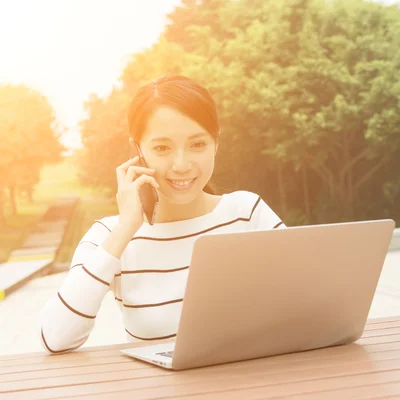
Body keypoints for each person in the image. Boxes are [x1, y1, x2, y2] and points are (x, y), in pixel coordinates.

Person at [39, 75, 286, 354]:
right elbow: (55, 337)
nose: (181, 165)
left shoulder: (248, 214)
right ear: (138, 151)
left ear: (216, 143)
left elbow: (310, 305)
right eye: (162, 148)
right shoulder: (109, 236)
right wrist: (126, 228)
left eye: (197, 144)